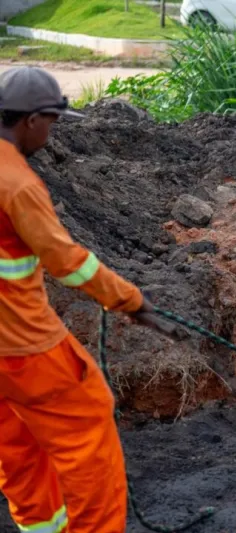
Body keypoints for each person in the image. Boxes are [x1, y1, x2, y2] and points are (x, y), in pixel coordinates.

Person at [0, 66, 173, 533]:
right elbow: (67, 261)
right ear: (32, 119)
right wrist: (132, 302)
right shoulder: (16, 183)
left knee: (16, 444)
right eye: (52, 123)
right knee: (88, 429)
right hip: (25, 348)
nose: (52, 136)